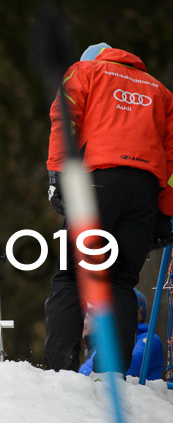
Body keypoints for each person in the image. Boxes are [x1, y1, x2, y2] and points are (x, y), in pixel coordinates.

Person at [44, 44, 173, 372]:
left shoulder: (86, 71)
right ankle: (111, 375)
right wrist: (166, 214)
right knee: (121, 282)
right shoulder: (160, 91)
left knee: (72, 276)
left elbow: (65, 115)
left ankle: (61, 371)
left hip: (98, 180)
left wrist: (58, 173)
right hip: (145, 190)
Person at [79, 289, 164, 380]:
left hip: (136, 393)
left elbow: (129, 365)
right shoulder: (110, 340)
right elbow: (85, 371)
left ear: (137, 312)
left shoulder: (150, 339)